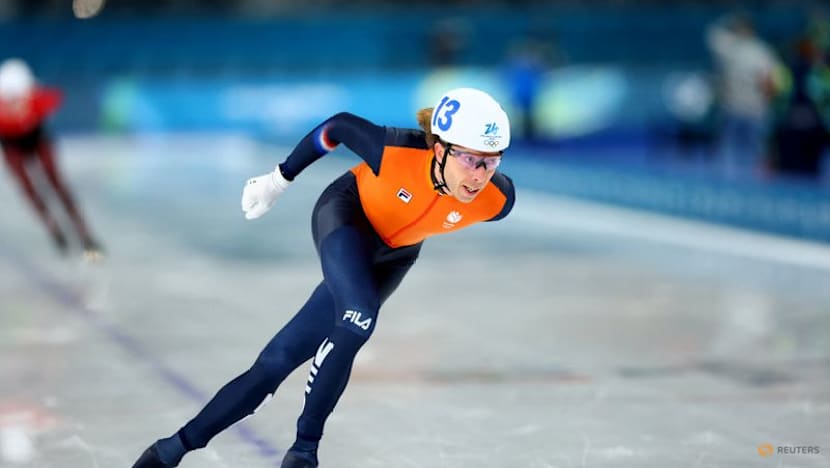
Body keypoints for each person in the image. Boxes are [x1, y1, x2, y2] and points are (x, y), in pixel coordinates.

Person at [130, 87, 515, 468]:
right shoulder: (395, 150)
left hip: (393, 258)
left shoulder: (498, 200)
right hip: (347, 216)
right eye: (470, 159)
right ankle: (304, 452)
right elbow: (338, 126)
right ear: (439, 149)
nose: (479, 175)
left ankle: (168, 451)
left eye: (491, 162)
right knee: (358, 319)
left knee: (276, 363)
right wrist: (279, 179)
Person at [0, 57, 103, 260]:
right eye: (11, 99)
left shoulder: (36, 100)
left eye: (20, 97)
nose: (15, 103)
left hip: (36, 139)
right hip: (12, 145)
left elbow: (56, 97)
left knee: (57, 184)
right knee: (29, 189)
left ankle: (84, 232)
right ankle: (52, 226)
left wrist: (29, 111)